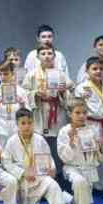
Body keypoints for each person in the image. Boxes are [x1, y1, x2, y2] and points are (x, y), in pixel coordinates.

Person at [1, 108, 68, 204]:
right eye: (23, 123)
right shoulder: (12, 141)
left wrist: (52, 169)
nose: (27, 126)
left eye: (30, 123)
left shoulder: (40, 139)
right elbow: (6, 162)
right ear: (17, 124)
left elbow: (49, 158)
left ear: (34, 123)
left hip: (38, 178)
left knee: (53, 186)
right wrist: (23, 173)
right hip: (21, 182)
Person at [22, 44, 72, 173]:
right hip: (40, 113)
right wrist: (35, 94)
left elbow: (70, 91)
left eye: (50, 53)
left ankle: (59, 173)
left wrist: (63, 91)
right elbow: (24, 92)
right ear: (38, 56)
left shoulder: (61, 74)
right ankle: (42, 174)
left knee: (58, 144)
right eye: (43, 54)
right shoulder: (32, 74)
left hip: (57, 112)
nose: (47, 56)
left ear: (54, 56)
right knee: (40, 144)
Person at [57, 99, 103, 204]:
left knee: (81, 202)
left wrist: (100, 147)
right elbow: (64, 158)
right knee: (80, 182)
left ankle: (70, 200)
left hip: (89, 168)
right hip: (72, 168)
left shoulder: (93, 130)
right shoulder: (64, 131)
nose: (82, 116)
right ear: (70, 114)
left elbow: (101, 158)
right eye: (77, 113)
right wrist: (71, 142)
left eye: (84, 112)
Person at [74, 57, 103, 191]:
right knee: (89, 155)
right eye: (94, 69)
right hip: (90, 124)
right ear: (87, 71)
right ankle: (87, 186)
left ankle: (102, 186)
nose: (98, 71)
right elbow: (76, 108)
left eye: (101, 69)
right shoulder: (82, 88)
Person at [0, 60, 29, 147]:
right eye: (0, 74)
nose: (2, 77)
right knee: (1, 153)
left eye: (5, 74)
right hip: (0, 128)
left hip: (16, 128)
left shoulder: (21, 91)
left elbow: (28, 114)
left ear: (12, 74)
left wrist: (22, 105)